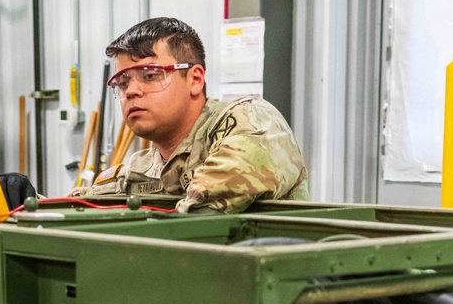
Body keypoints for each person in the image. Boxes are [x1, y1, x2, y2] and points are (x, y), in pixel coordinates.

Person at [80, 16, 308, 211]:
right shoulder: (143, 166)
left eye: (150, 75)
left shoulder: (249, 122)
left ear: (195, 80)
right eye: (122, 83)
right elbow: (78, 206)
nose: (131, 91)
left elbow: (198, 213)